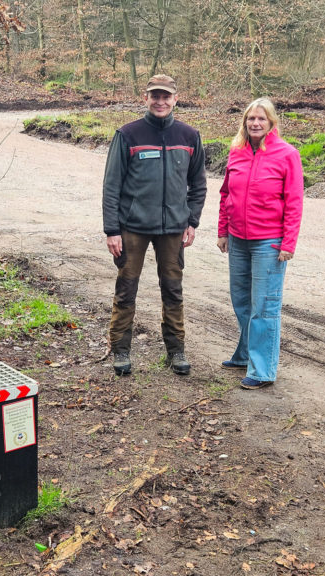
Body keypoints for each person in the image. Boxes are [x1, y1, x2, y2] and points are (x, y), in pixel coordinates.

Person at [103, 74, 208, 377]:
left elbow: (198, 185)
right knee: (126, 290)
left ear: (176, 99)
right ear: (145, 99)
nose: (160, 102)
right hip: (132, 228)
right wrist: (112, 229)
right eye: (155, 96)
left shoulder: (189, 136)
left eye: (166, 96)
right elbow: (111, 186)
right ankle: (121, 350)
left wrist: (192, 222)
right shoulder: (128, 134)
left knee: (173, 290)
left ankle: (176, 351)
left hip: (174, 229)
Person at [216, 97, 303, 390]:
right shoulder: (236, 152)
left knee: (264, 307)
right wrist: (223, 231)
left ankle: (263, 370)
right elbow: (225, 194)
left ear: (271, 123)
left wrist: (288, 243)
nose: (255, 123)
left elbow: (294, 202)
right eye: (251, 119)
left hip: (269, 242)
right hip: (238, 240)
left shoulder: (287, 154)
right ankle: (244, 355)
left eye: (261, 119)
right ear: (244, 122)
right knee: (241, 301)